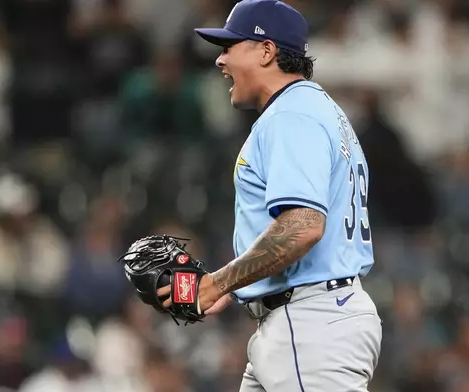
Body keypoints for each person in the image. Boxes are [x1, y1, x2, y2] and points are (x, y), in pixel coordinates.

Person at [156, 1, 382, 391]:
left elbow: (304, 225)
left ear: (266, 50)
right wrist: (235, 285)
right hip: (311, 318)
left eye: (230, 46)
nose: (220, 60)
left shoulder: (291, 115)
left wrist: (216, 284)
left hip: (311, 323)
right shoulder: (315, 108)